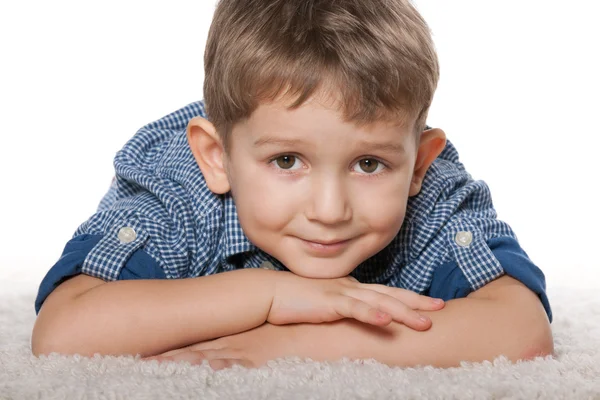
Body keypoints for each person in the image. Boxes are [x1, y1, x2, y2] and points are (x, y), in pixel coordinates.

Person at [31, 0, 553, 370]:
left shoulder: (431, 194)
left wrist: (309, 341)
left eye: (368, 165)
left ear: (418, 164)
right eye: (287, 160)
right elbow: (62, 331)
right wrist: (273, 297)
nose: (329, 210)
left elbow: (521, 329)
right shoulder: (178, 193)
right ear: (218, 158)